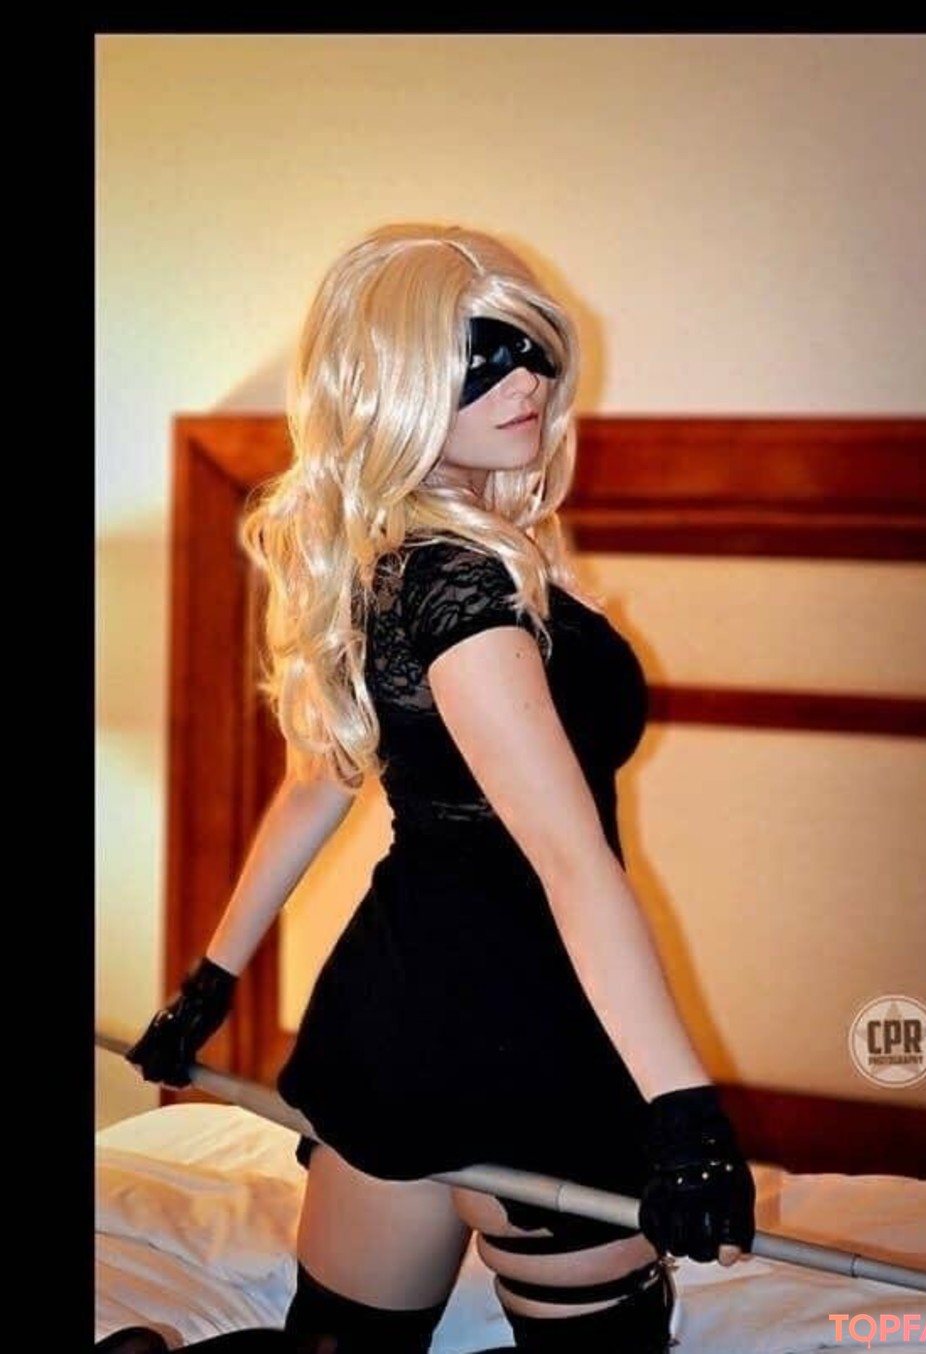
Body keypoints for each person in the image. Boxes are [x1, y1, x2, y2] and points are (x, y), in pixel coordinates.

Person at [119, 222, 756, 1354]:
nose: (527, 381)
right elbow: (568, 860)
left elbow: (321, 778)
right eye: (479, 360)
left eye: (532, 349)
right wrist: (684, 1112)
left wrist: (209, 979)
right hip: (534, 1030)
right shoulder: (462, 587)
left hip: (397, 1024)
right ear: (394, 381)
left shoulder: (391, 559)